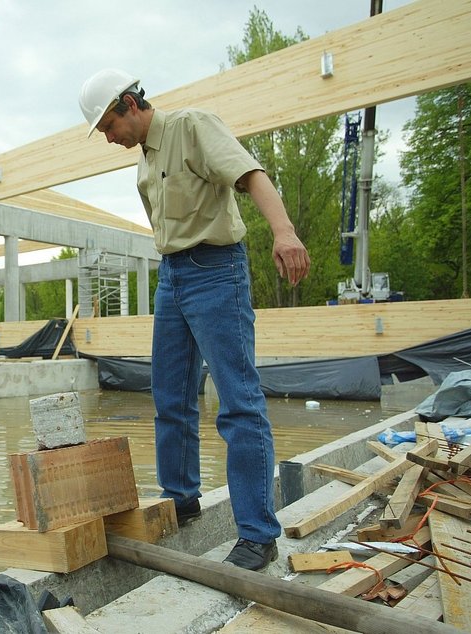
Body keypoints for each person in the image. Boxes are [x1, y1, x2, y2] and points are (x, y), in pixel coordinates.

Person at [78, 69, 310, 571]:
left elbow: (251, 176)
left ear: (130, 104)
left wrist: (284, 232)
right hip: (174, 277)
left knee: (239, 403)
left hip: (216, 271)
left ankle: (256, 534)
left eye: (109, 128)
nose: (110, 139)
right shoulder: (144, 168)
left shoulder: (192, 127)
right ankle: (181, 499)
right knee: (170, 397)